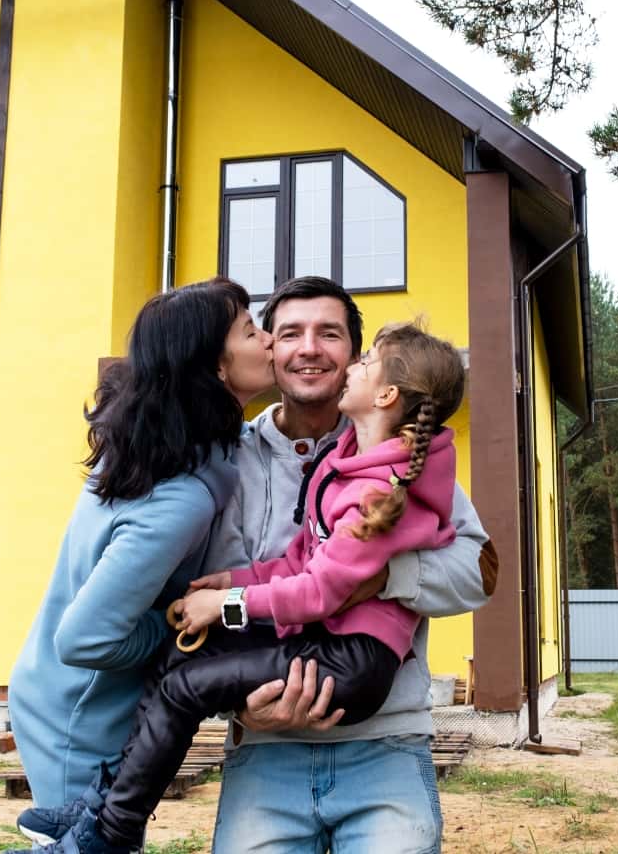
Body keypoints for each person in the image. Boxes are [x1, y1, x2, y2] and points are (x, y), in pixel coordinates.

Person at [41, 323, 468, 854]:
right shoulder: (351, 463)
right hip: (325, 646)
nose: (350, 363)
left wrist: (226, 604)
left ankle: (112, 833)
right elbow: (297, 561)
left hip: (353, 661)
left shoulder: (380, 490)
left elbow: (319, 592)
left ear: (385, 395)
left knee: (183, 689)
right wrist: (234, 579)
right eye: (281, 332)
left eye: (364, 360)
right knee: (178, 656)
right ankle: (103, 805)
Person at [6, 277, 273, 815]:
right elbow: (84, 639)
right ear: (215, 367)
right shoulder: (180, 496)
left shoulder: (172, 450)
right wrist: (177, 624)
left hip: (77, 701)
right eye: (251, 331)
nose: (269, 339)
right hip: (78, 724)